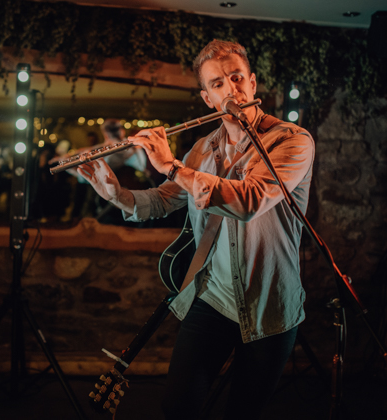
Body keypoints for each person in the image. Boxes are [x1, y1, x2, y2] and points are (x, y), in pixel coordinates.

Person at [77, 39, 315, 419]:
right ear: (207, 98)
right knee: (178, 407)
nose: (231, 89)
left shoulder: (292, 140)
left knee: (243, 412)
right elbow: (161, 200)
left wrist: (172, 165)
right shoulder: (202, 149)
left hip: (270, 303)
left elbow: (249, 200)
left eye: (237, 78)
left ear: (253, 84)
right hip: (213, 300)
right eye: (218, 84)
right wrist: (117, 193)